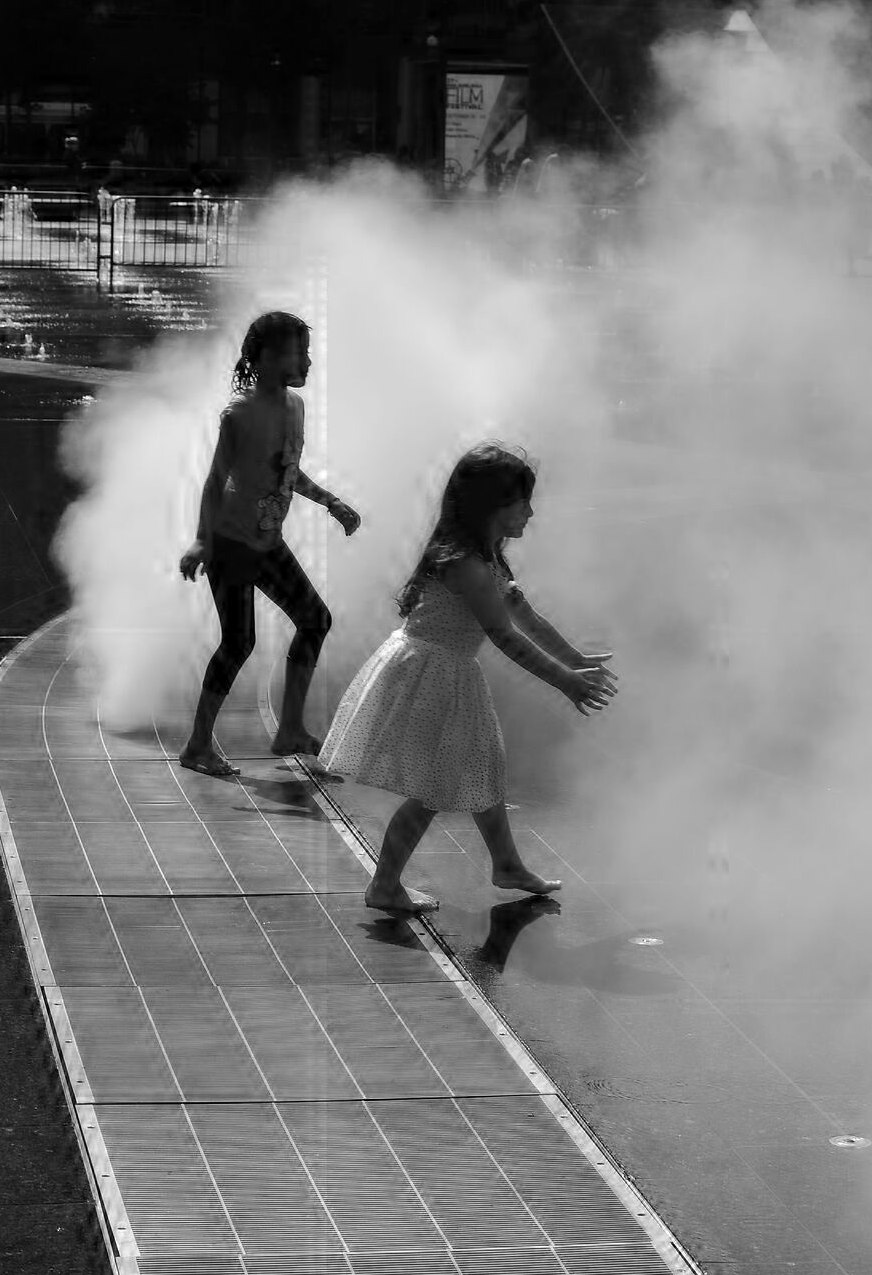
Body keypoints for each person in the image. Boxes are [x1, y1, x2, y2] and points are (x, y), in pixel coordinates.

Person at [319, 443, 617, 918]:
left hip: (447, 671)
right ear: (493, 506)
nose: (531, 512)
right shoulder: (466, 565)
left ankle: (506, 864)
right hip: (430, 674)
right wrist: (565, 681)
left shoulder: (489, 558)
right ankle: (385, 885)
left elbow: (527, 618)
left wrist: (574, 658)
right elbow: (504, 635)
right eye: (523, 502)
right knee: (435, 787)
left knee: (482, 764)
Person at [177, 311, 361, 779]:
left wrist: (331, 502)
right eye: (298, 353)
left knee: (315, 619)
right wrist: (200, 540)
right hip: (231, 543)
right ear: (264, 358)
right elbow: (215, 481)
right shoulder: (239, 414)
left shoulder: (295, 407)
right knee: (239, 641)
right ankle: (198, 745)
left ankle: (291, 729)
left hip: (266, 542)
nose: (308, 362)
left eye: (307, 352)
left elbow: (287, 470)